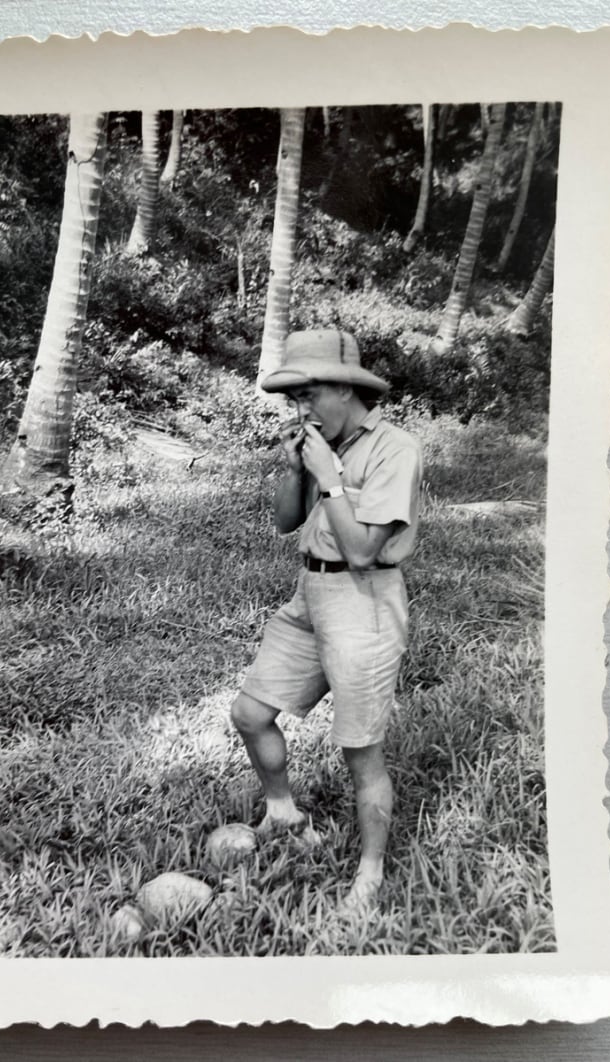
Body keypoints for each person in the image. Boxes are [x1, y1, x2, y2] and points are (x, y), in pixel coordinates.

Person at [231, 329, 423, 911]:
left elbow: (364, 551)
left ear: (346, 388)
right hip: (309, 593)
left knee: (359, 749)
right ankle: (284, 812)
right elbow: (287, 524)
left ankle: (370, 871)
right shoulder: (322, 444)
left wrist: (332, 477)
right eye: (295, 399)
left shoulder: (396, 449)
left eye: (310, 395)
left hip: (363, 601)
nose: (302, 410)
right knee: (249, 713)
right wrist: (298, 472)